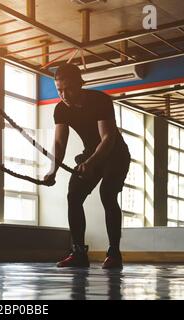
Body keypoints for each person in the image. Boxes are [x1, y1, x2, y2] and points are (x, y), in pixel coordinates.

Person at [44, 63, 131, 269]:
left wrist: (91, 163)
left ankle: (114, 253)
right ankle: (79, 253)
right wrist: (52, 170)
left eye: (68, 88)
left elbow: (108, 138)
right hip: (90, 153)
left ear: (79, 84)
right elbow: (59, 143)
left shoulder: (99, 100)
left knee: (107, 194)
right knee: (73, 196)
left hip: (115, 155)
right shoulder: (61, 109)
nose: (63, 94)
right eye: (59, 90)